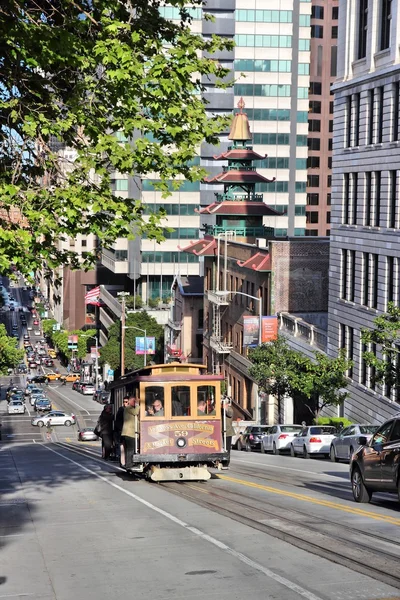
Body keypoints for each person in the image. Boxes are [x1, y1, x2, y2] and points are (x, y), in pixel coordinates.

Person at [121, 395, 140, 465]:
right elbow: (136, 412)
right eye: (134, 401)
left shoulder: (129, 408)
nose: (134, 403)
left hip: (130, 433)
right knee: (130, 449)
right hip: (129, 433)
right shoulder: (128, 408)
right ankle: (129, 463)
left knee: (132, 448)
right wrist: (138, 405)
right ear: (129, 401)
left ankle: (130, 463)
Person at [221, 398, 235, 467]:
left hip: (228, 432)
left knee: (227, 448)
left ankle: (226, 462)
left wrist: (225, 408)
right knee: (222, 448)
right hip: (221, 431)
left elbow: (230, 414)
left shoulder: (229, 409)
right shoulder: (220, 410)